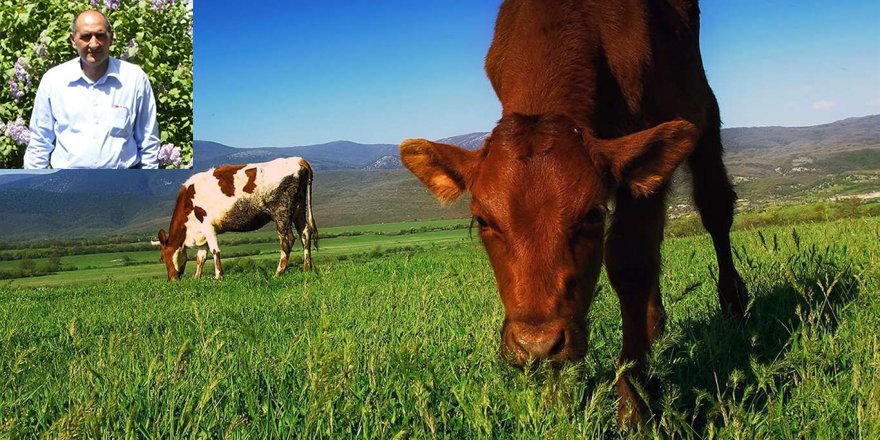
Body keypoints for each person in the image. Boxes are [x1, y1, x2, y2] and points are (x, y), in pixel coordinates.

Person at [24, 9, 160, 169]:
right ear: (73, 40)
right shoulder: (54, 81)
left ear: (111, 37)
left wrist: (149, 181)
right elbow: (39, 142)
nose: (94, 44)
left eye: (100, 35)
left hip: (123, 181)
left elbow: (148, 140)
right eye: (86, 36)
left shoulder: (134, 79)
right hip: (68, 181)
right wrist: (34, 182)